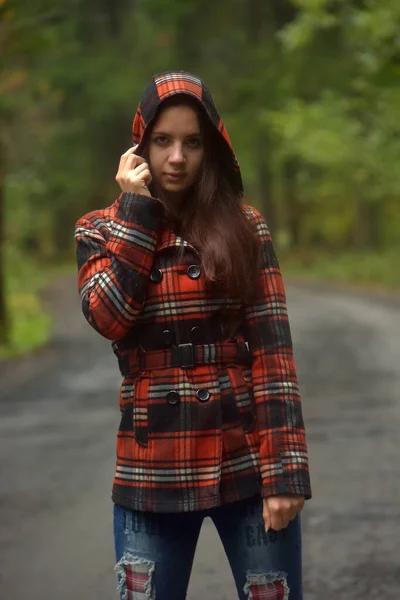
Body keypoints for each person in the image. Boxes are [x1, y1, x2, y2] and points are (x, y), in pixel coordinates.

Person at [75, 71, 312, 600]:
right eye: (162, 141)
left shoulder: (245, 228)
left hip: (246, 464)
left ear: (213, 149)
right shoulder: (99, 229)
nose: (176, 158)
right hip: (148, 472)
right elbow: (107, 317)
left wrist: (286, 473)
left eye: (191, 142)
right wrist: (137, 213)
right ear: (139, 147)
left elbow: (274, 356)